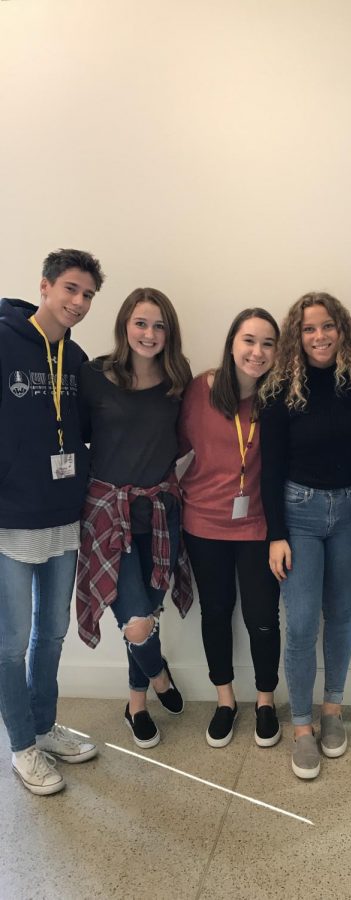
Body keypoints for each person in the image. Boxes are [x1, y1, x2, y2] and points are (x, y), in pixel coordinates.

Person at [0, 248, 104, 795]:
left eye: (87, 294)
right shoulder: (4, 339)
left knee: (54, 631)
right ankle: (22, 745)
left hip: (64, 517)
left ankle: (43, 725)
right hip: (10, 520)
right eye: (70, 289)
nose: (78, 302)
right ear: (44, 287)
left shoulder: (77, 356)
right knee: (10, 641)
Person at [260, 292, 351, 779]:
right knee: (302, 623)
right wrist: (276, 534)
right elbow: (269, 469)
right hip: (298, 514)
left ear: (341, 330)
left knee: (341, 615)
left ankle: (332, 711)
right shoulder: (280, 390)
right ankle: (301, 725)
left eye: (327, 327)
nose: (320, 336)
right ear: (296, 336)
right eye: (309, 329)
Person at [76, 287, 193, 749]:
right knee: (137, 622)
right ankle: (158, 673)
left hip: (162, 513)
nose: (149, 333)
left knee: (148, 611)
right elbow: (73, 435)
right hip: (108, 514)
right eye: (141, 323)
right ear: (125, 324)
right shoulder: (93, 375)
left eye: (159, 325)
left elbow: (185, 441)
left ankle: (136, 706)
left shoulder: (176, 381)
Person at [178, 308, 282, 749]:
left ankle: (264, 700)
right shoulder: (199, 390)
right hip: (203, 524)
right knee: (216, 612)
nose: (257, 352)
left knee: (261, 618)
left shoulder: (277, 397)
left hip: (258, 527)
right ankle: (225, 700)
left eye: (267, 343)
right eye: (248, 340)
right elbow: (174, 446)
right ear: (232, 343)